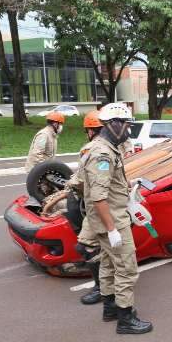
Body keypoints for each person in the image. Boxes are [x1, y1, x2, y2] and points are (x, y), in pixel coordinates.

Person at [81, 102, 152, 334]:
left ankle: (110, 308)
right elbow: (98, 196)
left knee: (110, 264)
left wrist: (127, 185)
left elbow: (106, 186)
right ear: (113, 124)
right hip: (112, 220)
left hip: (108, 217)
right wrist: (112, 230)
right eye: (126, 125)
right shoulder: (102, 153)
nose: (128, 130)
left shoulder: (106, 148)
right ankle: (126, 319)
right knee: (127, 268)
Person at [67, 110, 105, 305]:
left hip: (98, 207)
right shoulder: (113, 146)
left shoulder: (90, 149)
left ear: (90, 130)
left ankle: (101, 289)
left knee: (87, 247)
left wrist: (70, 184)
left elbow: (81, 180)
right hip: (102, 206)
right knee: (96, 246)